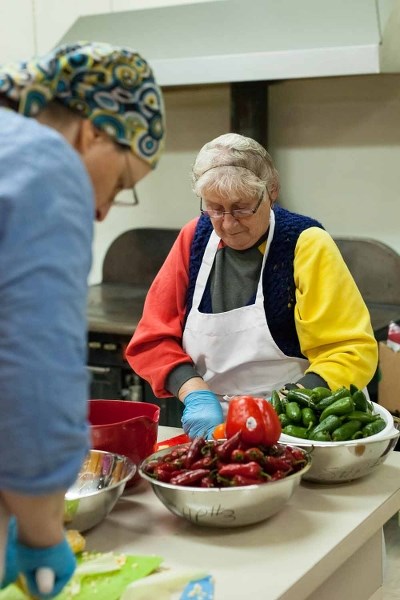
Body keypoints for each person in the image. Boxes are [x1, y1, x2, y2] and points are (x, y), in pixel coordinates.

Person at [0, 41, 165, 598]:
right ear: (95, 131)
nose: (102, 211)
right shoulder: (44, 162)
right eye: (121, 183)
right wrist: (44, 533)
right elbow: (33, 372)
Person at [126, 133, 378, 440]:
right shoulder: (194, 238)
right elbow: (152, 338)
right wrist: (195, 394)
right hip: (215, 425)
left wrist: (283, 408)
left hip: (301, 422)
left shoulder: (305, 243)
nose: (228, 224)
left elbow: (349, 350)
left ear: (271, 192)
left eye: (241, 208)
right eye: (215, 208)